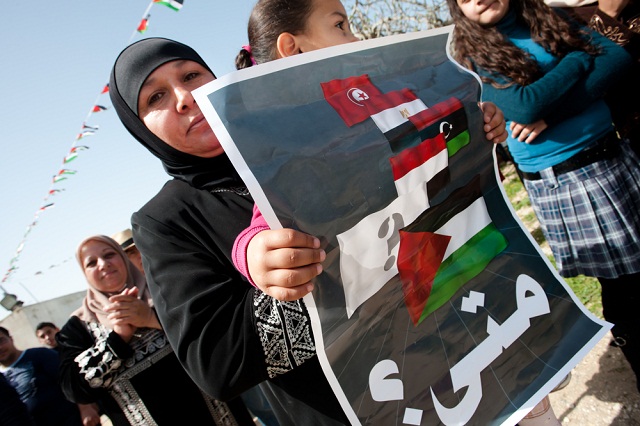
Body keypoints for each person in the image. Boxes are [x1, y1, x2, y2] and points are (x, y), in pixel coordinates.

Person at [109, 36, 350, 425]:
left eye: (191, 75)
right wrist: (294, 279)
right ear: (142, 129)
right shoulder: (165, 221)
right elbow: (217, 364)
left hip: (443, 359)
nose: (184, 97)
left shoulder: (303, 142)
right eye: (155, 97)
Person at [231, 0, 508, 301]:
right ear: (293, 48)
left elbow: (436, 144)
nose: (355, 39)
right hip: (396, 296)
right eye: (340, 26)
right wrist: (252, 253)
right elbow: (266, 219)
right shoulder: (286, 143)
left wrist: (478, 124)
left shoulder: (374, 96)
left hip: (455, 262)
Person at [446, 0, 640, 401]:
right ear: (457, 8)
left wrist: (551, 115)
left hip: (615, 155)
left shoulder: (553, 16)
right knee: (626, 287)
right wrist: (578, 60)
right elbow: (524, 104)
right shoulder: (468, 56)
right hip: (569, 179)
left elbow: (617, 59)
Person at [56, 235, 253, 425]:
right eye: (91, 263)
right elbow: (74, 390)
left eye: (109, 255)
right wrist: (117, 339)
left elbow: (215, 331)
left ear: (123, 258)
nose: (103, 264)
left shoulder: (166, 290)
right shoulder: (78, 327)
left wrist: (151, 318)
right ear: (84, 273)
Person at [0, 326, 82, 426]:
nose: (0, 348)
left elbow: (71, 380)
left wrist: (86, 408)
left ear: (11, 339)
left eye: (1, 341)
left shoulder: (40, 355)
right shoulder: (1, 378)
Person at [34, 322, 103, 426]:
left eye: (49, 332)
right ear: (40, 341)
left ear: (57, 329)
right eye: (42, 336)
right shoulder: (47, 359)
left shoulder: (72, 343)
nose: (47, 337)